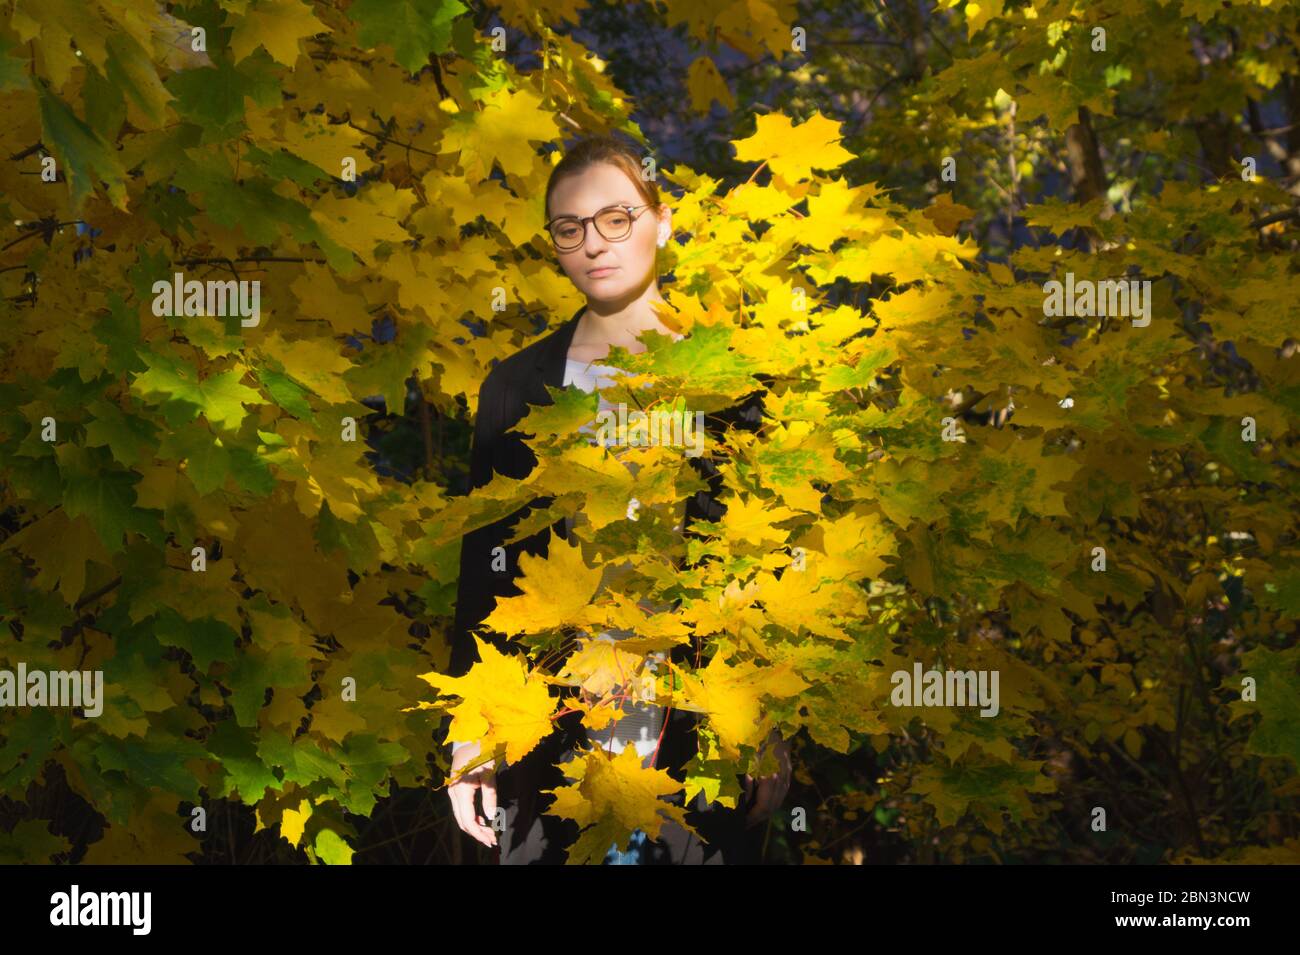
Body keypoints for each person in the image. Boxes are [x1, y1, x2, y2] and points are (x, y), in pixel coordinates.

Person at [443, 134, 791, 864]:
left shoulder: (730, 382)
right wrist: (472, 726)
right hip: (551, 724)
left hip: (690, 719)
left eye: (617, 218)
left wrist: (759, 714)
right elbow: (486, 569)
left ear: (662, 222)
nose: (593, 244)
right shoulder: (514, 386)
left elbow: (754, 566)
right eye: (569, 228)